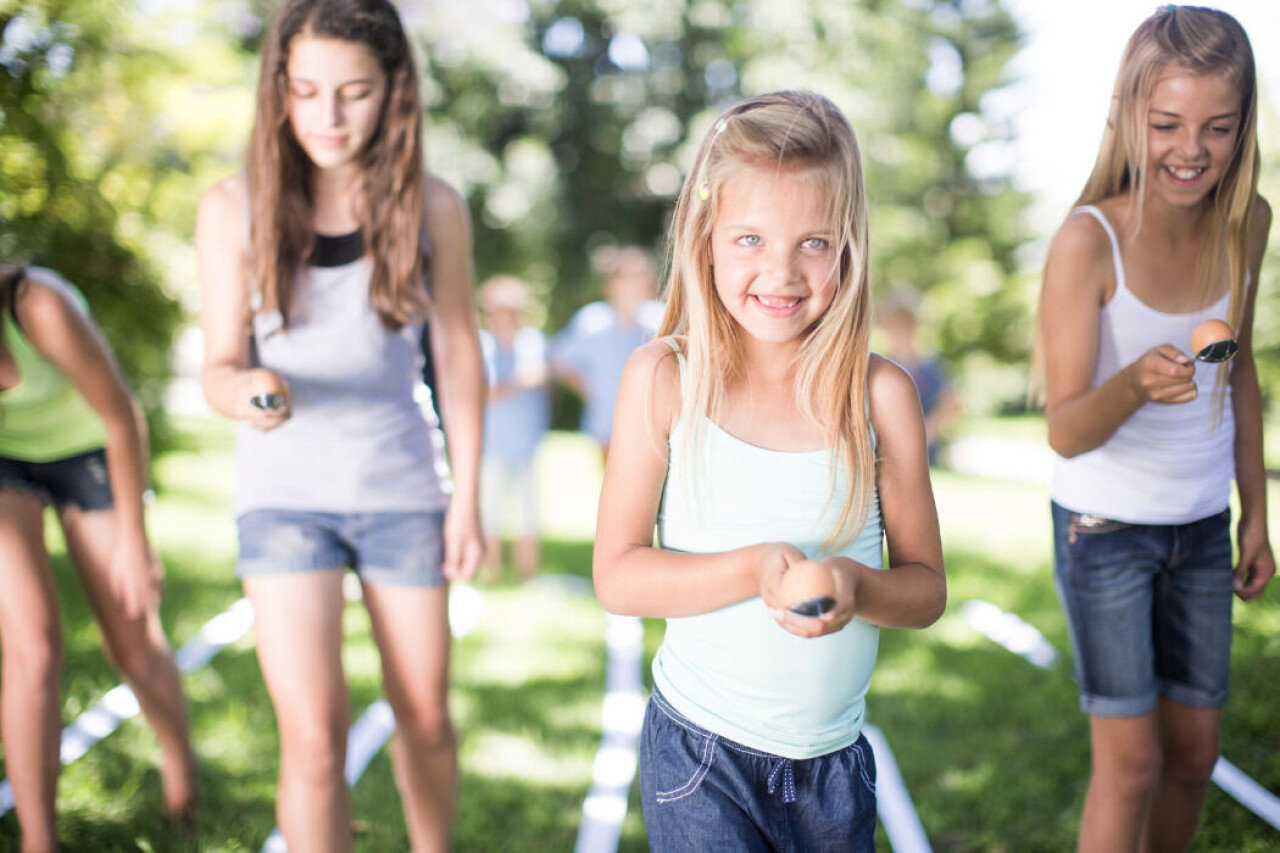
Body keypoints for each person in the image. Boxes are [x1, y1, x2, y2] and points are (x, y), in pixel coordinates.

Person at [593, 91, 947, 851]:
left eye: (812, 242)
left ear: (848, 245)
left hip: (834, 767)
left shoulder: (882, 395)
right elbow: (618, 575)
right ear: (706, 236)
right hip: (699, 754)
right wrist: (756, 568)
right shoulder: (663, 378)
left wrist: (857, 585)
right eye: (749, 238)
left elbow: (924, 589)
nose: (780, 272)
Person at [195, 0, 484, 849]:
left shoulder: (437, 206)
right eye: (307, 90)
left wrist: (466, 498)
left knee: (424, 716)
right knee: (314, 740)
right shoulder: (230, 206)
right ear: (278, 90)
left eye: (354, 92)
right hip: (284, 496)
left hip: (401, 483)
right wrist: (247, 387)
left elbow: (459, 359)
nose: (328, 115)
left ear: (394, 91)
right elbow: (217, 366)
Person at [1037, 7, 1273, 849]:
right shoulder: (1087, 239)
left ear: (1244, 124)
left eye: (1217, 126)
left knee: (1194, 751)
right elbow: (1064, 431)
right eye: (1167, 123)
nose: (1191, 150)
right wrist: (1136, 383)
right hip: (1104, 530)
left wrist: (1256, 511)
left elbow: (1239, 370)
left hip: (1204, 526)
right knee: (1130, 761)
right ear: (1129, 114)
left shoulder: (1249, 222)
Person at [0, 265, 197, 850]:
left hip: (88, 442)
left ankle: (182, 772)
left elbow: (120, 416)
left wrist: (135, 542)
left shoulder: (38, 305)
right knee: (31, 649)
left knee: (132, 636)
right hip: (6, 460)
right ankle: (40, 841)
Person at [551, 245, 664, 461]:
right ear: (612, 283)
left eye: (642, 277)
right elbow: (559, 360)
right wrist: (589, 387)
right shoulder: (592, 321)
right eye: (630, 278)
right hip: (607, 426)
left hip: (653, 428)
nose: (637, 285)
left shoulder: (660, 319)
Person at [477, 275, 549, 581]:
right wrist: (519, 382)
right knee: (489, 510)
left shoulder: (531, 341)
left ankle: (526, 574)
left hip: (525, 442)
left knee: (528, 512)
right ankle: (491, 572)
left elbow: (538, 375)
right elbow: (488, 388)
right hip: (491, 442)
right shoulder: (482, 343)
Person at [878, 292, 961, 466]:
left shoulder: (931, 367)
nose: (899, 330)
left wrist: (926, 433)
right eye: (894, 324)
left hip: (924, 456)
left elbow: (952, 404)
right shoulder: (880, 366)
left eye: (904, 323)